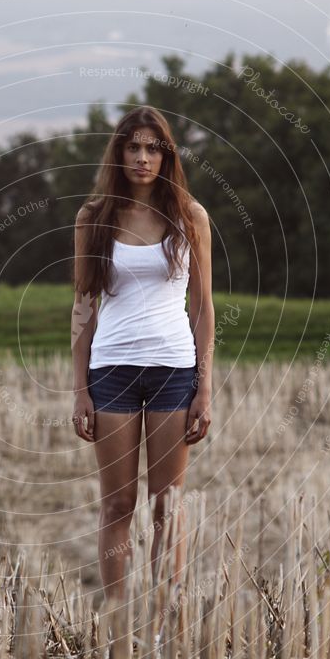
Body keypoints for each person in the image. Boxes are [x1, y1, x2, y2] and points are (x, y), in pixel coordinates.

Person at [70, 105, 214, 604]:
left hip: (175, 372)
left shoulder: (190, 216)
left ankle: (164, 625)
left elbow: (202, 307)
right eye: (133, 146)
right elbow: (83, 308)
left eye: (153, 148)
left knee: (166, 507)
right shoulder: (93, 217)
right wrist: (79, 390)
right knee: (117, 507)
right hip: (111, 373)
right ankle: (116, 626)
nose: (142, 157)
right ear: (119, 152)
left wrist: (205, 388)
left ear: (165, 154)